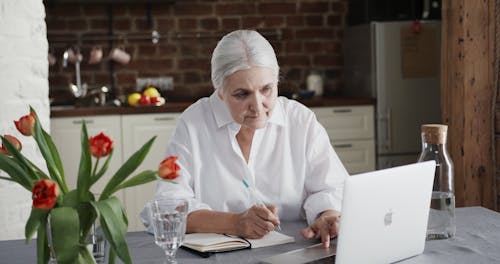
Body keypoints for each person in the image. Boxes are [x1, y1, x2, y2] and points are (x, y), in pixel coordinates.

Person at [141, 29, 349, 248]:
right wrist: (234, 222)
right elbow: (167, 208)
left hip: (295, 252)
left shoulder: (301, 121)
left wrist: (329, 215)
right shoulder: (194, 124)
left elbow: (333, 189)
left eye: (267, 89)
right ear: (220, 91)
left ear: (277, 81)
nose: (258, 107)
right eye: (242, 94)